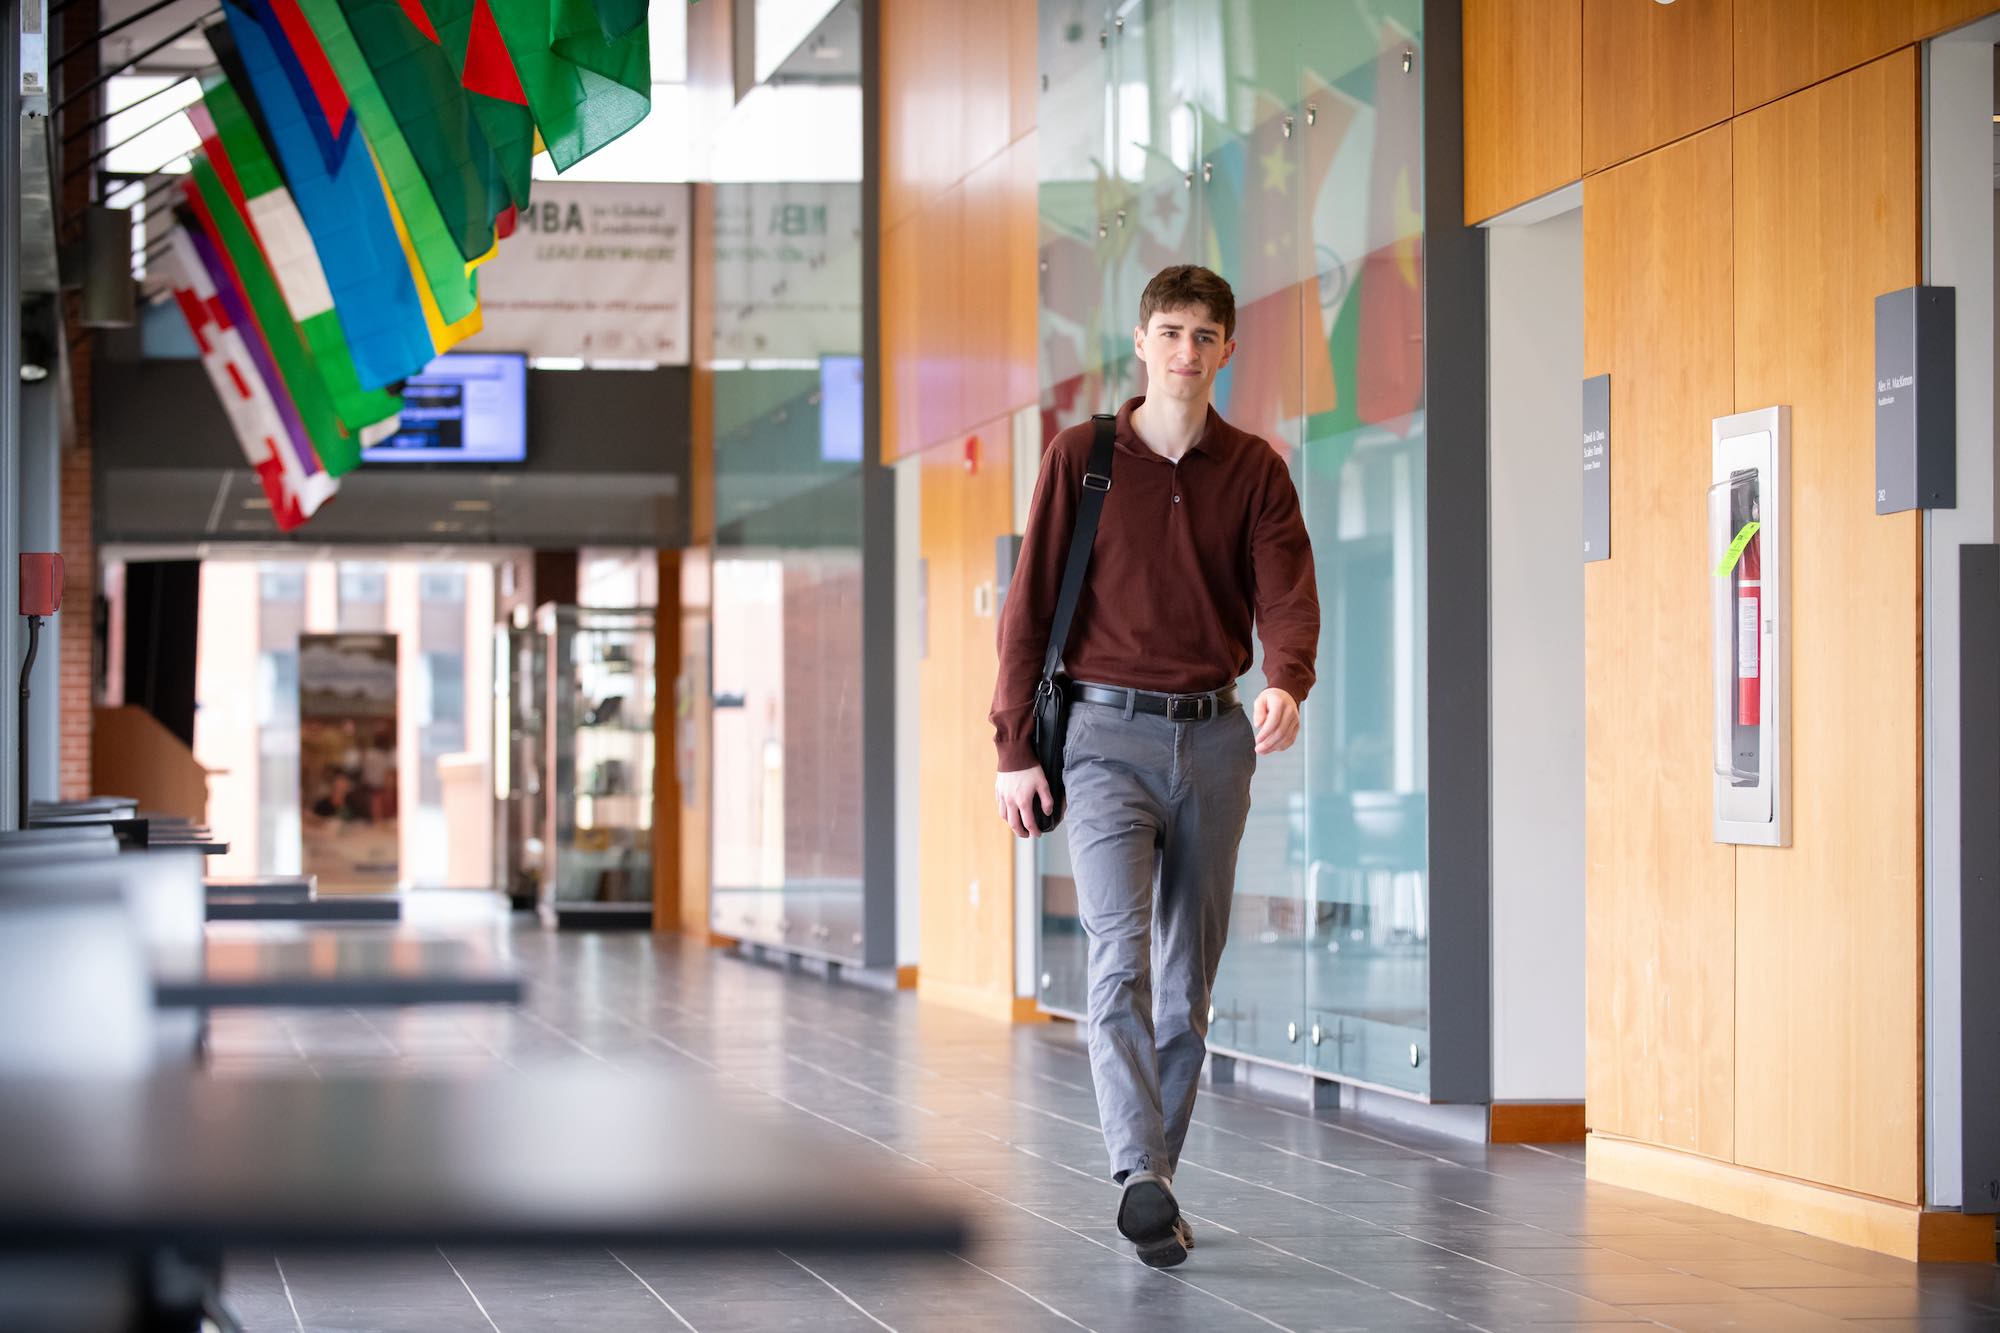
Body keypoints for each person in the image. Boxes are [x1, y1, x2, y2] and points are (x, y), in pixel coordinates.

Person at [990, 265, 1319, 1269]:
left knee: (1187, 980)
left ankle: (1152, 1186)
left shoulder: (1254, 468)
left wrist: (1285, 681)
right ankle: (1138, 1170)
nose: (1184, 351)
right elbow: (1027, 607)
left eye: (1203, 335)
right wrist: (1012, 747)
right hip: (1100, 742)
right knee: (1117, 956)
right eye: (1168, 331)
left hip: (1214, 739)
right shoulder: (1080, 457)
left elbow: (1285, 588)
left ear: (1225, 350)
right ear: (1139, 342)